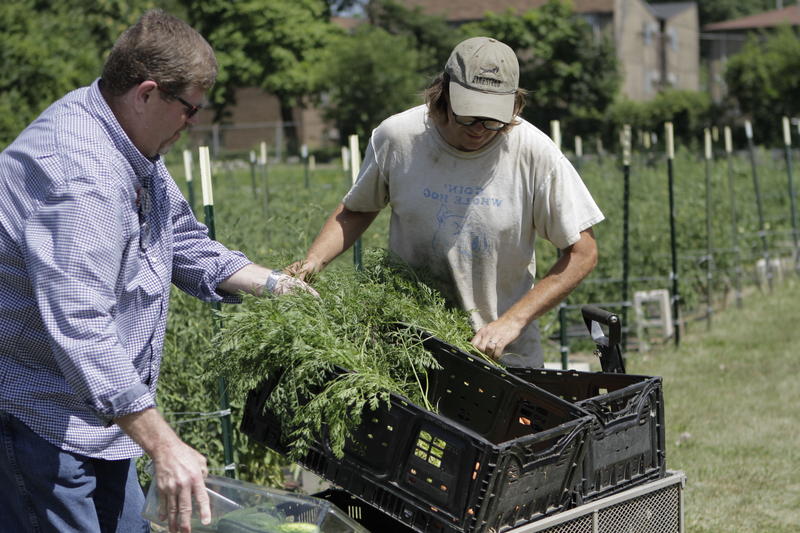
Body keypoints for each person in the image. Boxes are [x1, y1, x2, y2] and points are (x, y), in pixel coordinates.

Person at [0, 9, 313, 533]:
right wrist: (165, 445)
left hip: (104, 415)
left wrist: (273, 285)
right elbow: (81, 327)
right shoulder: (84, 178)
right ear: (147, 93)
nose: (193, 124)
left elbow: (179, 238)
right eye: (190, 109)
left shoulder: (126, 139)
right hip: (40, 417)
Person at [289, 36, 603, 368]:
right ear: (443, 95)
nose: (481, 129)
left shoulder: (535, 154)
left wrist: (513, 320)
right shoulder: (398, 137)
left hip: (502, 354)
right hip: (411, 344)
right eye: (469, 115)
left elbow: (583, 252)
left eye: (494, 119)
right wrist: (309, 266)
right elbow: (357, 210)